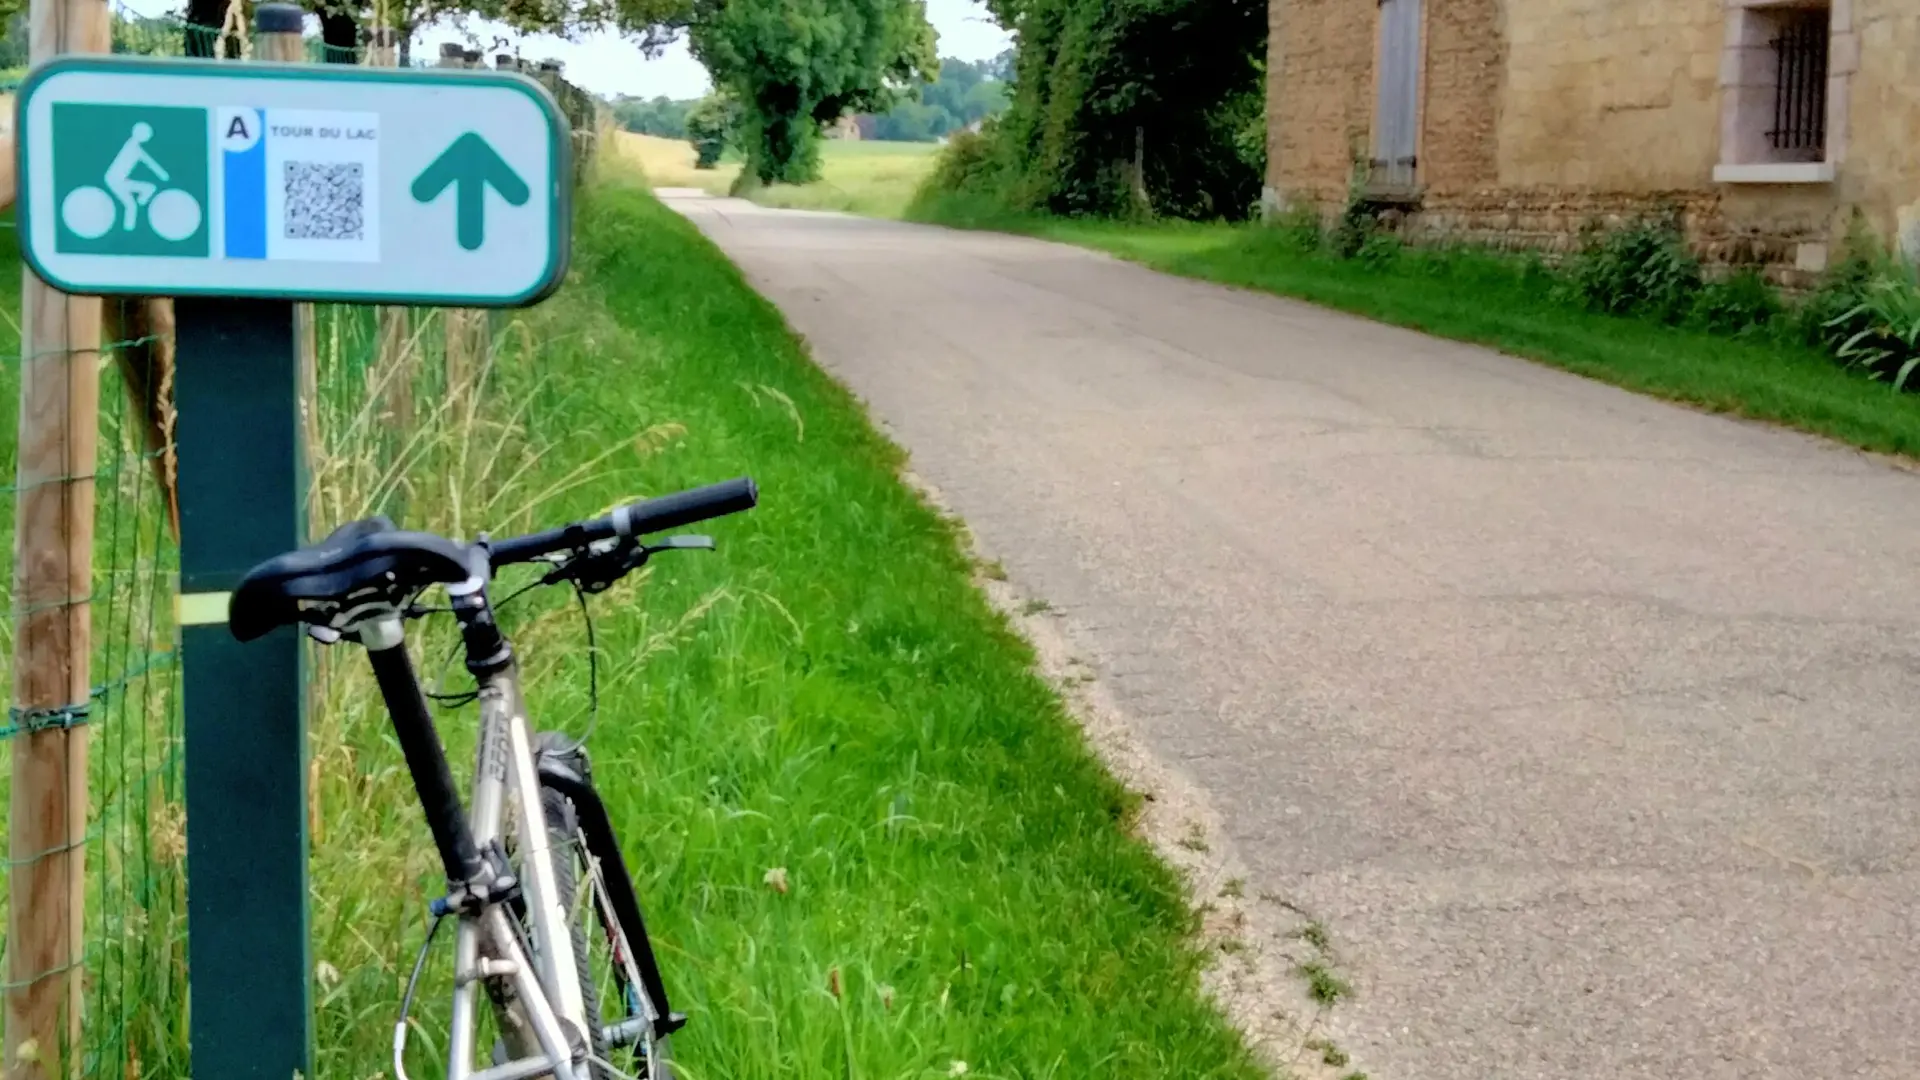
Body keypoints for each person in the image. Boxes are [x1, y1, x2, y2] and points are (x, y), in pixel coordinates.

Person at [104, 122, 169, 231]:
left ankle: (139, 207)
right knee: (132, 205)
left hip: (118, 181)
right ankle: (129, 229)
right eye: (146, 134)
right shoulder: (133, 147)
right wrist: (163, 175)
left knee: (144, 193)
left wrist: (163, 175)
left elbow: (149, 161)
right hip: (115, 181)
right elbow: (149, 161)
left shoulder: (133, 146)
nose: (147, 136)